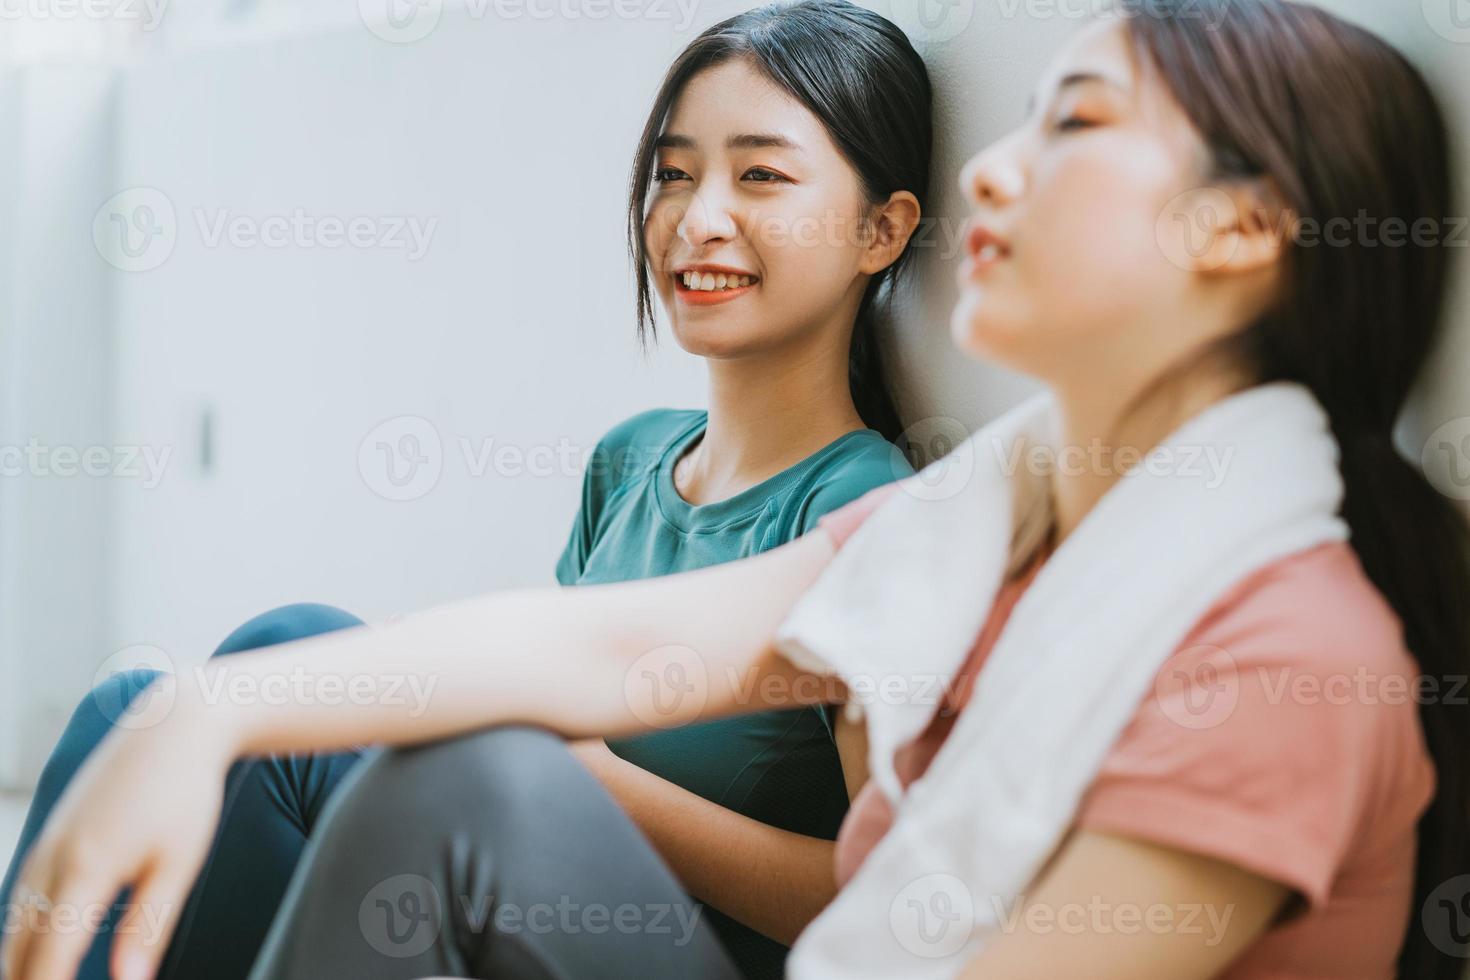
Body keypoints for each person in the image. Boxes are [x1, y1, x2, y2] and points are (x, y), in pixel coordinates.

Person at [7, 1, 1468, 978]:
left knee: (479, 783)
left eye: (1072, 125)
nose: (995, 176)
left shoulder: (1283, 661)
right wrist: (206, 711)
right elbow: (588, 646)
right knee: (258, 683)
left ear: (1242, 228)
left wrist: (554, 766)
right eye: (671, 172)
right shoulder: (968, 530)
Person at [0, 3, 930, 977]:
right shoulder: (632, 461)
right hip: (518, 918)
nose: (697, 218)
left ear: (881, 228)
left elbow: (883, 900)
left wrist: (601, 787)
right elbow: (560, 688)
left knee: (490, 776)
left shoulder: (866, 510)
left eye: (761, 176)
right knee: (196, 683)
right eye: (673, 173)